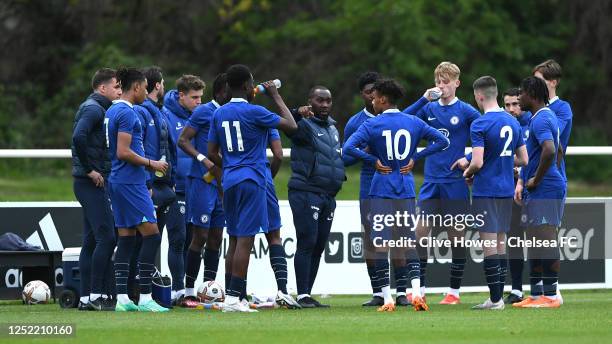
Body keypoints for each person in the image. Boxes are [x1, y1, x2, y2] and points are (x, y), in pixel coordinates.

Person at [344, 78, 449, 312]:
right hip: (405, 187)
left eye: (374, 97)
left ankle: (388, 299)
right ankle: (415, 295)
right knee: (407, 242)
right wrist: (415, 158)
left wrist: (373, 160)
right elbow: (442, 140)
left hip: (381, 188)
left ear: (382, 99)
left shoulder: (372, 124)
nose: (372, 101)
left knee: (380, 243)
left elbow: (348, 149)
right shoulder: (413, 121)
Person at [207, 64, 297, 312]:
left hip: (230, 179)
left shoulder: (219, 113)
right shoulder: (256, 112)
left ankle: (232, 297)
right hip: (253, 179)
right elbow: (292, 125)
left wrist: (231, 166)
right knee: (245, 240)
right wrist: (276, 96)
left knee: (234, 238)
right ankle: (235, 299)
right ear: (248, 86)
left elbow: (211, 153)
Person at [405, 61, 480, 304]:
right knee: (421, 234)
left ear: (457, 83)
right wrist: (423, 99)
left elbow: (488, 134)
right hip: (431, 181)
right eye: (438, 81)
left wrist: (468, 158)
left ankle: (454, 292)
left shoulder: (467, 111)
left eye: (446, 82)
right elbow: (400, 121)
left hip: (455, 183)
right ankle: (421, 289)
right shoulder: (428, 108)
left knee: (456, 237)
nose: (441, 86)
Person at [456, 76, 527, 310]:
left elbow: (476, 161)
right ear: (496, 94)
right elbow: (523, 159)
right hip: (506, 189)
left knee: (489, 246)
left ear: (479, 96)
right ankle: (496, 297)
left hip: (486, 190)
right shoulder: (513, 122)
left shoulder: (480, 124)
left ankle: (496, 300)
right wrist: (502, 162)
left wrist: (468, 173)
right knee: (500, 244)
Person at [106, 67, 169, 312]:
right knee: (152, 234)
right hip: (130, 182)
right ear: (136, 87)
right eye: (144, 87)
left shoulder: (112, 110)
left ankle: (122, 298)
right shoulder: (129, 114)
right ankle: (145, 297)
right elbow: (123, 152)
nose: (146, 91)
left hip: (118, 180)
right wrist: (152, 163)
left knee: (127, 237)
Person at [286, 85, 345, 308]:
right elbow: (281, 122)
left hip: (328, 195)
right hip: (305, 191)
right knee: (307, 241)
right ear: (309, 101)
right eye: (320, 100)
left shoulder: (332, 128)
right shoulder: (301, 125)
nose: (325, 105)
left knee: (319, 245)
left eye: (328, 101)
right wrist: (295, 112)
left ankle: (307, 294)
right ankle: (302, 295)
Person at [71, 68, 121, 311]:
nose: (120, 91)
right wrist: (90, 169)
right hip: (89, 182)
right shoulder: (93, 108)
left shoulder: (99, 108)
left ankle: (84, 297)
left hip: (89, 181)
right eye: (116, 87)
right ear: (103, 88)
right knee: (107, 237)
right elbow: (78, 137)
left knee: (91, 240)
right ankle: (95, 296)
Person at [132, 66, 183, 306]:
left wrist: (170, 182)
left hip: (165, 186)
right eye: (162, 83)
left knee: (154, 238)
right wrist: (148, 182)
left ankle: (147, 293)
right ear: (157, 85)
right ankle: (137, 293)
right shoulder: (142, 112)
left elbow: (169, 150)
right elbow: (140, 148)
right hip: (150, 185)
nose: (164, 86)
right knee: (144, 239)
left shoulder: (159, 112)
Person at [513, 76, 565, 308]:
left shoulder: (541, 119)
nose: (518, 98)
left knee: (545, 238)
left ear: (532, 94)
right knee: (534, 240)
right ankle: (536, 295)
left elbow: (551, 150)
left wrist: (538, 178)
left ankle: (552, 296)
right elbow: (559, 149)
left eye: (521, 94)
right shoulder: (541, 117)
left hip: (544, 187)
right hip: (539, 187)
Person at [177, 73, 228, 307]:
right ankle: (189, 291)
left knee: (217, 237)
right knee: (200, 236)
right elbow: (183, 140)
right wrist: (202, 159)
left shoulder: (231, 113)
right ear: (221, 92)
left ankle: (210, 289)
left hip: (221, 184)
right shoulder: (204, 111)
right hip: (201, 181)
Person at [161, 74, 205, 303]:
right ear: (181, 96)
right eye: (194, 97)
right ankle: (177, 290)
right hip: (176, 187)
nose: (199, 102)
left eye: (201, 97)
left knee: (192, 240)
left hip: (196, 187)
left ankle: (189, 290)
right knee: (177, 239)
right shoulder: (165, 115)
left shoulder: (201, 116)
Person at [502, 87, 531, 304]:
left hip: (534, 188)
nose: (512, 109)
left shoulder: (534, 122)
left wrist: (523, 171)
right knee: (513, 239)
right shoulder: (503, 125)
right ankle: (517, 289)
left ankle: (545, 289)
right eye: (507, 105)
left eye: (515, 104)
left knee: (541, 239)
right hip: (510, 189)